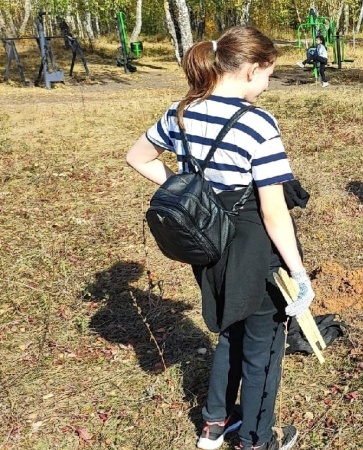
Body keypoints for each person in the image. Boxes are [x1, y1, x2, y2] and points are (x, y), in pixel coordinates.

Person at [126, 26, 311, 449]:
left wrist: (184, 190)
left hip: (206, 240)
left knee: (231, 325)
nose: (267, 85)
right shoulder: (257, 123)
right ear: (249, 70)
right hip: (251, 243)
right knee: (263, 343)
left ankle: (214, 421)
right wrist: (299, 273)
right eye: (268, 74)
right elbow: (273, 209)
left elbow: (137, 156)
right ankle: (256, 439)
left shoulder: (180, 111)